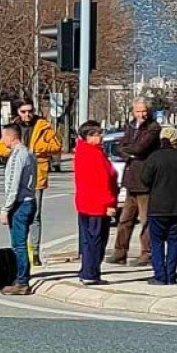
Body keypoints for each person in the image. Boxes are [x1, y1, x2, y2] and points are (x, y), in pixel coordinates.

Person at [0, 98, 62, 267]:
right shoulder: (12, 128)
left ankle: (36, 252)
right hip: (18, 171)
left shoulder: (43, 125)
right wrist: (13, 151)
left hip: (36, 174)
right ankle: (20, 249)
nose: (27, 114)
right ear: (18, 112)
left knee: (35, 215)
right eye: (23, 111)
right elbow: (0, 148)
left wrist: (38, 150)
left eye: (30, 111)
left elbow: (56, 145)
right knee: (17, 214)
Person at [141, 126, 177, 285]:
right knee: (174, 242)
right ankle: (171, 275)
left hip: (158, 207)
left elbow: (145, 180)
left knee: (157, 242)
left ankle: (160, 275)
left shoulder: (154, 158)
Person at [107, 98, 161, 266]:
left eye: (144, 111)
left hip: (145, 181)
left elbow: (140, 149)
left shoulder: (153, 127)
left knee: (145, 220)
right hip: (130, 180)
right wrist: (129, 152)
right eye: (138, 111)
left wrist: (130, 150)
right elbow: (119, 147)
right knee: (125, 219)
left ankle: (147, 252)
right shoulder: (130, 126)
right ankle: (120, 252)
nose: (141, 114)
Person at [73, 121, 119, 286]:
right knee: (96, 240)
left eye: (100, 133)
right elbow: (102, 181)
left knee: (88, 240)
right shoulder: (94, 154)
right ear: (88, 136)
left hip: (85, 203)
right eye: (97, 134)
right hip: (97, 205)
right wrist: (110, 203)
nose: (101, 137)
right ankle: (91, 273)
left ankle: (86, 270)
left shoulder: (82, 151)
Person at [0, 123, 37, 296]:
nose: (2, 140)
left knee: (18, 245)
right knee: (20, 244)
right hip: (29, 200)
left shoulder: (17, 156)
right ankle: (20, 278)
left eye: (3, 136)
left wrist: (5, 208)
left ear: (11, 137)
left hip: (20, 204)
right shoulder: (28, 153)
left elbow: (13, 184)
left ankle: (22, 281)